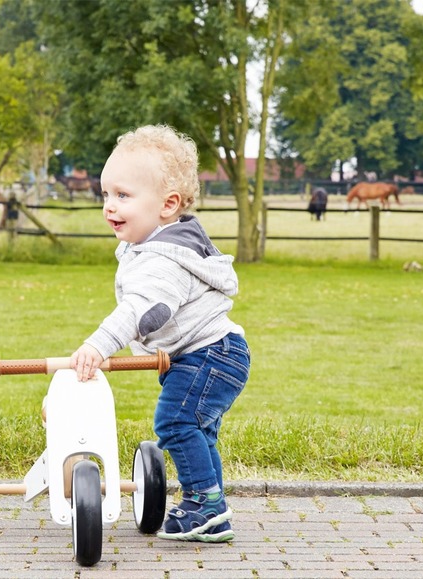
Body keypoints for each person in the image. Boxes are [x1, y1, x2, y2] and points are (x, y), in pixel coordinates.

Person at [70, 124, 250, 543]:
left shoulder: (164, 259)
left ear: (168, 204)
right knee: (198, 431)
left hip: (210, 355)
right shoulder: (155, 245)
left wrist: (98, 344)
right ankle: (211, 511)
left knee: (175, 421)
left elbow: (143, 310)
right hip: (214, 354)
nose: (109, 206)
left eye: (123, 195)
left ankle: (205, 504)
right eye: (106, 194)